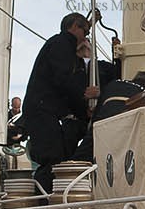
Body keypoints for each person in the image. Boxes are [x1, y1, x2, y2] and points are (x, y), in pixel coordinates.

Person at [22, 12, 97, 192]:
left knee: (56, 156)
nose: (86, 37)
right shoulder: (62, 43)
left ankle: (46, 201)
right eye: (84, 31)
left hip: (43, 109)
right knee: (53, 157)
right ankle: (45, 200)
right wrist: (85, 94)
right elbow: (63, 79)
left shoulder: (61, 47)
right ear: (73, 27)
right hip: (43, 110)